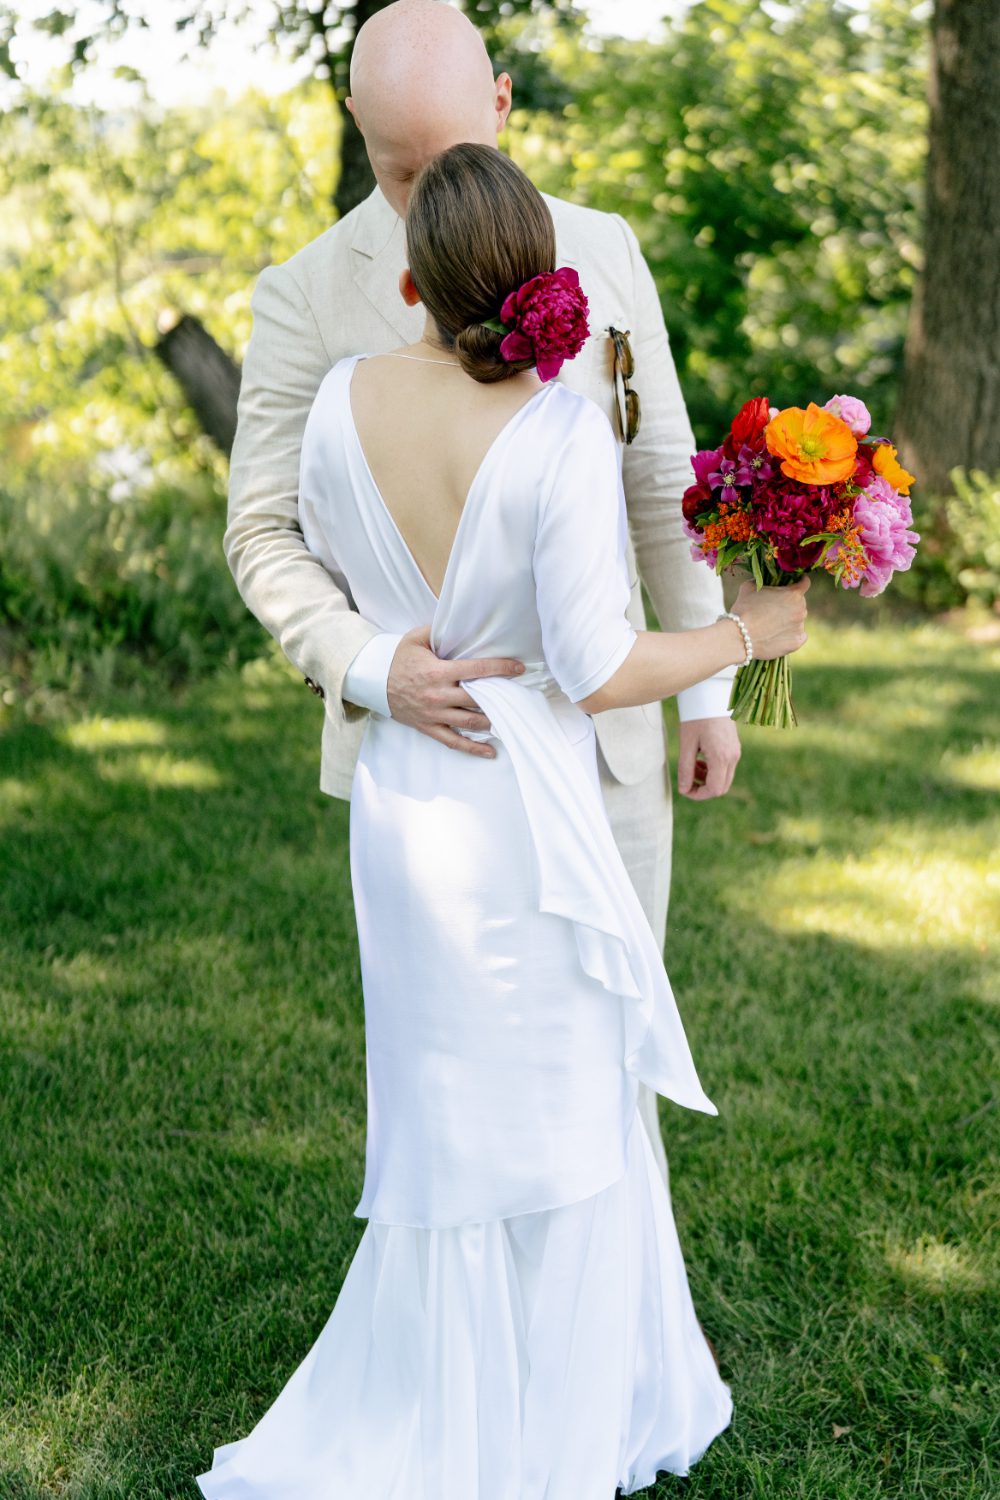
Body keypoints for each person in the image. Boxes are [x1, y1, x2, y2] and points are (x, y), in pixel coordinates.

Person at [196, 142, 810, 1500]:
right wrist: (744, 633)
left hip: (411, 797)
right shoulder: (558, 427)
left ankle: (441, 1408)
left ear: (409, 285)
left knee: (444, 1116)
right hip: (527, 803)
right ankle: (554, 1422)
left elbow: (307, 545)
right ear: (542, 277)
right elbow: (598, 672)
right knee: (563, 1110)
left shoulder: (348, 397)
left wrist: (383, 652)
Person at [222, 0, 743, 1192]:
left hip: (603, 741)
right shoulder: (302, 295)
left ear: (504, 104)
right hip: (431, 772)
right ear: (356, 131)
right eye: (397, 170)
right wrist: (368, 663)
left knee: (607, 1054)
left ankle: (592, 1325)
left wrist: (708, 683)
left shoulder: (602, 247)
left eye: (453, 157)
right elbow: (262, 529)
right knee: (452, 1093)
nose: (424, 201)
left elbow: (658, 473)